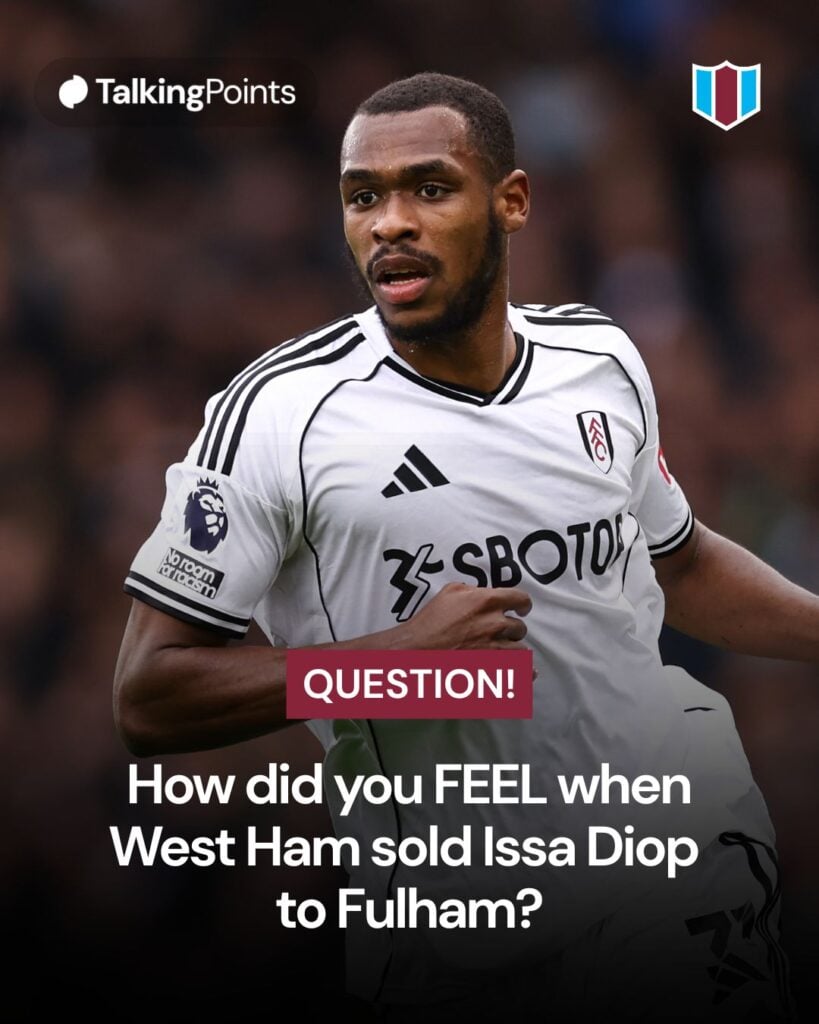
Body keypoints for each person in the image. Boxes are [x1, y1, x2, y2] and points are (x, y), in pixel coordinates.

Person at [114, 72, 818, 1021]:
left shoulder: (599, 361)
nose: (390, 223)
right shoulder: (278, 414)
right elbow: (149, 697)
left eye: (429, 188)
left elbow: (678, 560)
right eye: (362, 197)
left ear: (511, 201)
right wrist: (395, 663)